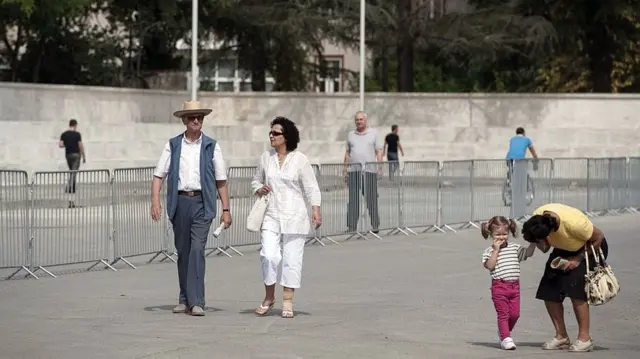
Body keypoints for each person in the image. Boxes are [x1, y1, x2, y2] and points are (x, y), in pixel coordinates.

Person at [150, 100, 232, 317]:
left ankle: (197, 301)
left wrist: (226, 209)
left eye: (200, 117)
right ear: (184, 120)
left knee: (197, 249)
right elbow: (159, 174)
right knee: (184, 251)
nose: (196, 120)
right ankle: (184, 297)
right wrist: (155, 200)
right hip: (179, 202)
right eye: (192, 117)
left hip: (202, 203)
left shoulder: (212, 146)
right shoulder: (173, 145)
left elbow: (220, 180)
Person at [251, 116, 322, 319]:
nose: (271, 136)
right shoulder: (266, 157)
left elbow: (311, 187)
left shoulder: (300, 160)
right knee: (269, 255)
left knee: (292, 259)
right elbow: (255, 181)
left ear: (286, 136)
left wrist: (315, 209)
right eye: (270, 132)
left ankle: (288, 301)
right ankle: (269, 297)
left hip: (295, 215)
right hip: (271, 214)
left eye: (276, 133)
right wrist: (259, 188)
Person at [521, 203, 609, 352]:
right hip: (564, 248)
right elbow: (545, 248)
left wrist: (578, 259)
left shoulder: (574, 224)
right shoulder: (539, 217)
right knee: (549, 291)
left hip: (588, 248)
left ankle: (584, 339)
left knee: (576, 291)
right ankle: (561, 336)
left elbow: (599, 237)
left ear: (549, 233)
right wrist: (536, 242)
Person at [481, 216, 536, 350]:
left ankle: (503, 332)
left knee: (515, 314)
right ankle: (506, 337)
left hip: (514, 287)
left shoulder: (514, 248)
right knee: (503, 314)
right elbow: (490, 266)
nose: (501, 237)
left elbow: (528, 253)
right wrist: (495, 250)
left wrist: (534, 242)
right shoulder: (489, 251)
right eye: (497, 234)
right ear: (491, 234)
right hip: (499, 287)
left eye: (504, 234)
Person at [343, 111, 382, 233]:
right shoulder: (351, 135)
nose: (359, 122)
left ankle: (375, 225)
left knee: (371, 199)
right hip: (354, 171)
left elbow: (379, 151)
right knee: (353, 200)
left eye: (361, 119)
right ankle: (351, 227)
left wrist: (379, 167)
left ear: (366, 120)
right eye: (357, 120)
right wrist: (345, 169)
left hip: (369, 171)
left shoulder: (373, 133)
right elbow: (348, 153)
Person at [59, 119, 86, 208]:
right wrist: (84, 156)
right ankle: (71, 199)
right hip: (76, 155)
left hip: (68, 155)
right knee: (73, 175)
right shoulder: (77, 135)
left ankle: (69, 187)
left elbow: (61, 145)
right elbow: (80, 146)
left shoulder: (64, 134)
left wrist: (68, 144)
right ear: (75, 125)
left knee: (71, 173)